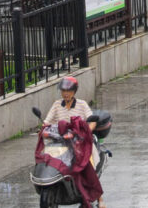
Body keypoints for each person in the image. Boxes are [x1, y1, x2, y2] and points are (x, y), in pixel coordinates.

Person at [43, 76, 104, 205]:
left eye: (68, 91)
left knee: (89, 165)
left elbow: (92, 121)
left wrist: (85, 131)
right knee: (46, 158)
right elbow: (47, 122)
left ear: (74, 91)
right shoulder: (56, 105)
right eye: (63, 90)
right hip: (61, 141)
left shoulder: (82, 104)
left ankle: (99, 198)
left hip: (80, 142)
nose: (65, 93)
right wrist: (44, 130)